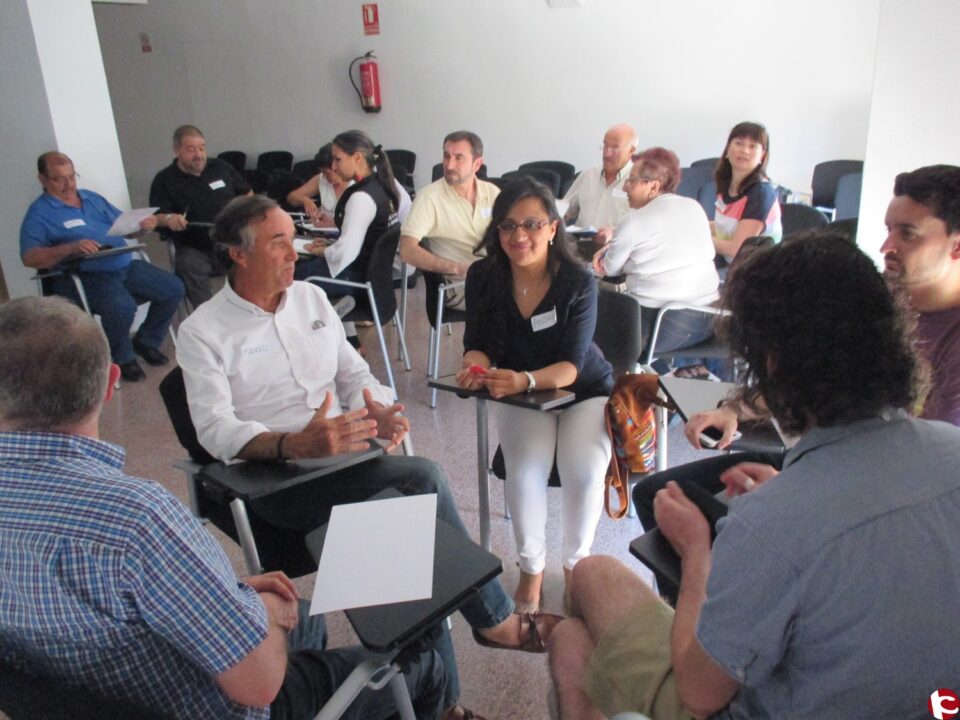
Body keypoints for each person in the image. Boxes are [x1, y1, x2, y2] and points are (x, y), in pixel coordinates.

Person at [549, 234, 960, 719]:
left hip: (744, 701)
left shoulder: (769, 524)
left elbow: (701, 693)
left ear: (770, 362)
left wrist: (699, 551)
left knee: (574, 622)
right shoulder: (949, 451)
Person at [176, 194, 562, 709]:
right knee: (419, 483)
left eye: (293, 241)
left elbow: (353, 372)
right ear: (237, 255)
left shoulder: (311, 300)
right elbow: (214, 430)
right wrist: (293, 443)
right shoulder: (204, 330)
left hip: (345, 459)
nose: (295, 253)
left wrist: (376, 405)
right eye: (278, 244)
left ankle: (442, 705)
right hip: (276, 482)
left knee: (405, 552)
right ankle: (492, 621)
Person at [0, 296, 448, 720]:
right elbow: (261, 686)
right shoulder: (136, 517)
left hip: (102, 692)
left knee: (306, 617)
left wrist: (230, 594)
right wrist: (264, 614)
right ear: (111, 384)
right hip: (213, 704)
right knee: (425, 667)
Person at [633, 165, 960, 589]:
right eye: (888, 230)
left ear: (956, 245)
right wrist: (735, 409)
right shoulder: (872, 297)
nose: (887, 246)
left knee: (723, 531)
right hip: (829, 461)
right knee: (659, 497)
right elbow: (815, 371)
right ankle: (697, 622)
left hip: (887, 495)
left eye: (908, 234)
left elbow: (926, 472)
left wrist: (794, 491)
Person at [457, 177, 614, 614]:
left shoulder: (578, 280)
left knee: (583, 469)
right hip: (520, 393)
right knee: (524, 471)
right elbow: (477, 340)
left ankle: (576, 568)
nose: (518, 236)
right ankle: (531, 569)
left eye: (531, 224)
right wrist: (474, 366)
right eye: (507, 226)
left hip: (582, 390)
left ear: (552, 228)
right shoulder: (484, 276)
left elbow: (572, 365)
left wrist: (524, 379)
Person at [19, 151, 184, 382]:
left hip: (123, 262)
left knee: (173, 287)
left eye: (72, 177)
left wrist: (142, 226)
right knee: (121, 306)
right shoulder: (39, 214)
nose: (68, 185)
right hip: (87, 273)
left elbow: (125, 226)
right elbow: (30, 257)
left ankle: (147, 341)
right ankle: (122, 357)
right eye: (59, 179)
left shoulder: (91, 199)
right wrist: (71, 248)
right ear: (43, 180)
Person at [593, 147, 720, 358]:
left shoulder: (633, 222)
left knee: (590, 315)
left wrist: (603, 255)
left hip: (661, 327)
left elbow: (609, 268)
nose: (625, 188)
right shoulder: (694, 207)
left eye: (631, 181)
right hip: (709, 321)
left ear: (653, 186)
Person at [149, 124, 252, 307]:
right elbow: (155, 218)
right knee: (188, 266)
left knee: (257, 256)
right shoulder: (165, 179)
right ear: (176, 150)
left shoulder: (220, 167)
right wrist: (170, 219)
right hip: (195, 247)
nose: (198, 154)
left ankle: (249, 309)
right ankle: (207, 318)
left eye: (202, 148)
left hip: (231, 241)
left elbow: (247, 194)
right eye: (191, 149)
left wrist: (244, 214)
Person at [293, 130, 406, 294]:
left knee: (293, 276)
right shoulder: (382, 185)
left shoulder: (361, 198)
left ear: (358, 158)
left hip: (358, 279)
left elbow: (345, 253)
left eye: (337, 160)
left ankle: (331, 316)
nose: (333, 166)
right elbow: (366, 241)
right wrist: (331, 245)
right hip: (376, 280)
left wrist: (322, 251)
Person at [399, 131, 500, 308]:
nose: (449, 164)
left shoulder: (491, 192)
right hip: (458, 285)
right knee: (519, 302)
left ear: (477, 164)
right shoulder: (429, 198)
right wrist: (458, 268)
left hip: (493, 276)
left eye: (459, 158)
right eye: (446, 156)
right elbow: (407, 250)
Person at [711, 121, 782, 262]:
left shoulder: (761, 193)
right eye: (738, 143)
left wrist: (697, 239)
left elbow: (736, 249)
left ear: (762, 155)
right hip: (731, 265)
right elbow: (724, 227)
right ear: (727, 149)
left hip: (756, 271)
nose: (744, 151)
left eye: (752, 146)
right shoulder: (726, 183)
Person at [562, 124, 637, 242]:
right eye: (605, 146)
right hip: (579, 249)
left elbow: (642, 228)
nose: (607, 154)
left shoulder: (638, 183)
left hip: (614, 252)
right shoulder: (589, 175)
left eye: (615, 148)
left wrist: (613, 233)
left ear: (631, 150)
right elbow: (563, 209)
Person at [286, 142, 349, 226]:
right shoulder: (321, 179)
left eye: (327, 172)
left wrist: (331, 224)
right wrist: (304, 200)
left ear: (335, 167)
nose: (325, 176)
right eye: (322, 172)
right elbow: (291, 198)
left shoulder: (356, 183)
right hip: (322, 232)